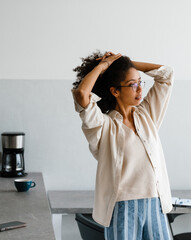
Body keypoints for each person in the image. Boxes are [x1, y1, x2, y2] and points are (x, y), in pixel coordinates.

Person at [72, 51, 174, 240]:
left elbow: (166, 74)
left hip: (156, 203)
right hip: (123, 207)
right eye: (132, 85)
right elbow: (82, 94)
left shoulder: (147, 115)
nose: (139, 90)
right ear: (115, 91)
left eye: (139, 82)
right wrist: (104, 66)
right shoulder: (103, 125)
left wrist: (124, 64)